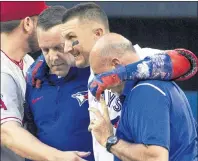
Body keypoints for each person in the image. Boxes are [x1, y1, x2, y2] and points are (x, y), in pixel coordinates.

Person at [27, 2, 198, 161]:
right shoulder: (90, 66)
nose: (66, 48)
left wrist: (121, 74)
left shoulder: (134, 57)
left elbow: (188, 61)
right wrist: (40, 64)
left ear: (98, 34)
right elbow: (54, 54)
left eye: (72, 38)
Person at [1, 2, 89, 161]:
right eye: (40, 19)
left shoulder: (31, 66)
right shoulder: (2, 70)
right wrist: (58, 157)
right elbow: (7, 133)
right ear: (28, 23)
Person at [88, 33, 198, 161]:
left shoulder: (145, 91)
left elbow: (155, 158)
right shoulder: (152, 86)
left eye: (99, 74)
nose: (99, 83)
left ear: (115, 64)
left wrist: (109, 140)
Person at [25, 6, 94, 161]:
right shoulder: (34, 81)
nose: (53, 57)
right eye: (45, 50)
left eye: (58, 47)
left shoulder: (98, 71)